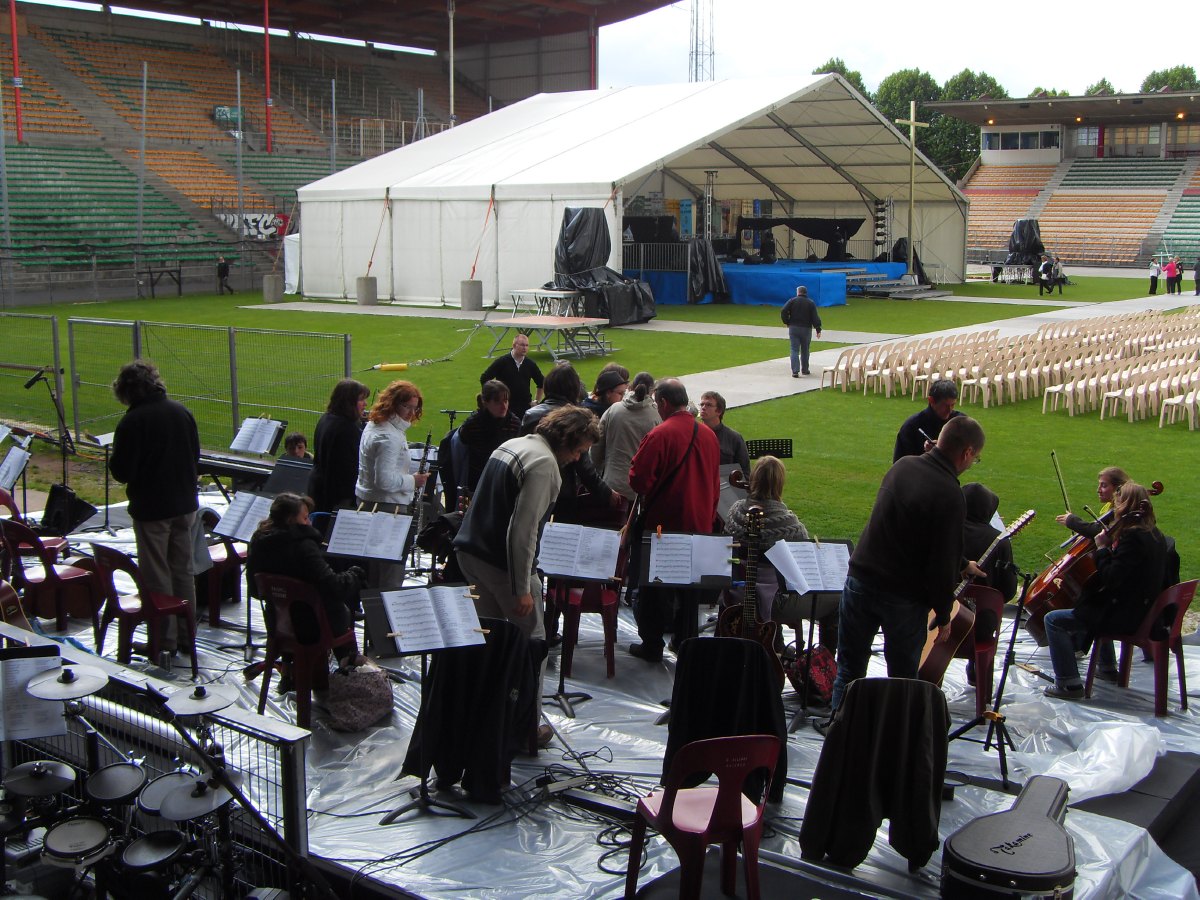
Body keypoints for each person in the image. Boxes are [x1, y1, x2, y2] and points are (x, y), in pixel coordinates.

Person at [453, 405, 601, 745]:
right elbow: (522, 531)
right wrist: (521, 588)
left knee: (489, 642)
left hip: (470, 555)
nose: (578, 459)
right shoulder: (545, 465)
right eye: (579, 450)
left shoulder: (513, 445)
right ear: (568, 440)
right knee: (532, 646)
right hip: (502, 567)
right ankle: (524, 730)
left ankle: (487, 716)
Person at [828, 415, 987, 715]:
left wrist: (963, 563)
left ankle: (840, 738)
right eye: (975, 459)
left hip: (860, 580)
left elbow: (907, 528)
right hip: (902, 597)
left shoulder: (903, 466)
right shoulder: (951, 494)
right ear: (966, 453)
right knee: (902, 681)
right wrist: (943, 615)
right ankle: (896, 746)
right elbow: (940, 563)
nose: (971, 463)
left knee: (848, 669)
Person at [1042, 483, 1167, 700]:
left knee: (1054, 620)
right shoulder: (1155, 534)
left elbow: (1111, 578)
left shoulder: (1133, 538)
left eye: (1117, 503)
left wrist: (1101, 549)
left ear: (1125, 505)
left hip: (1129, 616)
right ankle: (1107, 667)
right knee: (1093, 604)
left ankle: (1068, 683)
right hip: (1145, 610)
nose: (1114, 508)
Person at [108, 360, 200, 655]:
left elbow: (122, 471)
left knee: (157, 574)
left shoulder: (133, 421)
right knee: (183, 571)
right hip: (185, 504)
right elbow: (195, 456)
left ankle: (164, 640)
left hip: (153, 508)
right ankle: (188, 637)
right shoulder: (181, 412)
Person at [627, 378, 721, 662]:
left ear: (664, 403)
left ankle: (652, 643)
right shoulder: (708, 435)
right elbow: (715, 483)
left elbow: (639, 481)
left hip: (664, 525)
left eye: (656, 403)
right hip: (700, 522)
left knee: (656, 587)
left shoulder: (660, 434)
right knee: (690, 589)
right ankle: (684, 641)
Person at [246, 492, 367, 684]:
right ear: (290, 520)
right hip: (313, 627)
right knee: (338, 609)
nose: (309, 523)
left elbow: (254, 590)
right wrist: (353, 574)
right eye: (304, 518)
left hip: (277, 623)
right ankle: (351, 675)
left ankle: (289, 672)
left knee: (292, 602)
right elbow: (334, 587)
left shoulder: (258, 541)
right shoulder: (303, 546)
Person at [723, 456, 838, 653]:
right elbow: (803, 562)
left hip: (735, 593)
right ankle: (825, 664)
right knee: (837, 600)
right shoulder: (788, 522)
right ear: (779, 483)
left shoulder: (735, 512)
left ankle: (776, 641)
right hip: (775, 601)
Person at [355, 380, 431, 588]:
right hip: (388, 510)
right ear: (393, 403)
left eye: (414, 408)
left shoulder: (376, 424)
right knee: (388, 578)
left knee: (376, 574)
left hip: (371, 505)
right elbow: (384, 480)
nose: (410, 413)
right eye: (406, 406)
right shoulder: (389, 437)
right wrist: (414, 481)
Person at [961, 482, 1018, 687]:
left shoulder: (945, 532)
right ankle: (979, 672)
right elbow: (1008, 590)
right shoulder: (999, 541)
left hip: (940, 621)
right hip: (981, 628)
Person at [592, 371, 660, 502]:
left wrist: (594, 475)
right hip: (639, 489)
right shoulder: (656, 416)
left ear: (631, 387)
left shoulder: (614, 410)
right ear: (652, 391)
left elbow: (596, 446)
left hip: (612, 484)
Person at [308, 379, 369, 517]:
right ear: (349, 402)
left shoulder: (326, 418)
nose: (365, 404)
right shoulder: (348, 428)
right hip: (337, 496)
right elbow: (352, 467)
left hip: (319, 486)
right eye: (361, 400)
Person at [457, 380, 521, 493]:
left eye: (505, 401)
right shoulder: (472, 425)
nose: (503, 406)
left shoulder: (514, 424)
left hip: (503, 480)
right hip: (477, 479)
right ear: (486, 402)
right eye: (497, 402)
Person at [893, 378, 963, 462]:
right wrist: (928, 455)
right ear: (931, 400)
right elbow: (900, 465)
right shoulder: (912, 426)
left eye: (953, 405)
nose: (949, 410)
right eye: (945, 405)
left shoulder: (958, 422)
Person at [480, 334, 544, 420]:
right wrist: (493, 399)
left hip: (524, 408)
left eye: (527, 345)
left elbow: (541, 382)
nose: (525, 348)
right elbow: (484, 378)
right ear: (514, 345)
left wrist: (536, 401)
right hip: (506, 407)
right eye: (522, 345)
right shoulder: (502, 362)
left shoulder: (530, 364)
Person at [1055, 466, 1128, 539]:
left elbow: (1101, 531)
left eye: (1104, 486)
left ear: (1118, 487)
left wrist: (1072, 521)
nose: (1098, 490)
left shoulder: (1122, 509)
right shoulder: (1117, 505)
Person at [698, 391, 750, 477]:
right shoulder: (693, 435)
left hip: (725, 488)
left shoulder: (734, 438)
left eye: (708, 405)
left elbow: (745, 472)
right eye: (701, 404)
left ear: (719, 411)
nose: (703, 408)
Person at [781, 285, 822, 377]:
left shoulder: (792, 301)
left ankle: (795, 371)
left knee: (794, 349)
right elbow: (815, 317)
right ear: (805, 293)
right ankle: (805, 369)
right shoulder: (810, 303)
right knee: (805, 350)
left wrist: (787, 322)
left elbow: (783, 310)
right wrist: (818, 329)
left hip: (794, 328)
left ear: (798, 292)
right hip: (806, 329)